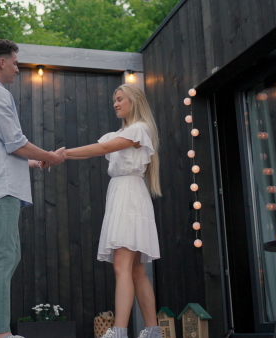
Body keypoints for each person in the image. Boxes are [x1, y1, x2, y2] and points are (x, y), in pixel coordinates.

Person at [0, 38, 66, 338]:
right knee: (5, 257)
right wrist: (50, 156)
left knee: (8, 256)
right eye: (17, 63)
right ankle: (0, 333)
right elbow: (16, 142)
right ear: (2, 62)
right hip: (1, 188)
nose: (19, 70)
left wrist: (32, 164)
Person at [62, 84, 163, 338]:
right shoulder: (117, 133)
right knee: (136, 270)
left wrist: (61, 154)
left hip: (129, 196)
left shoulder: (139, 129)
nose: (116, 104)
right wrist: (60, 155)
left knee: (122, 266)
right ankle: (152, 332)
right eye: (114, 100)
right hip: (122, 195)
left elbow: (102, 149)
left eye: (120, 99)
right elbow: (95, 149)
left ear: (134, 101)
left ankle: (119, 331)